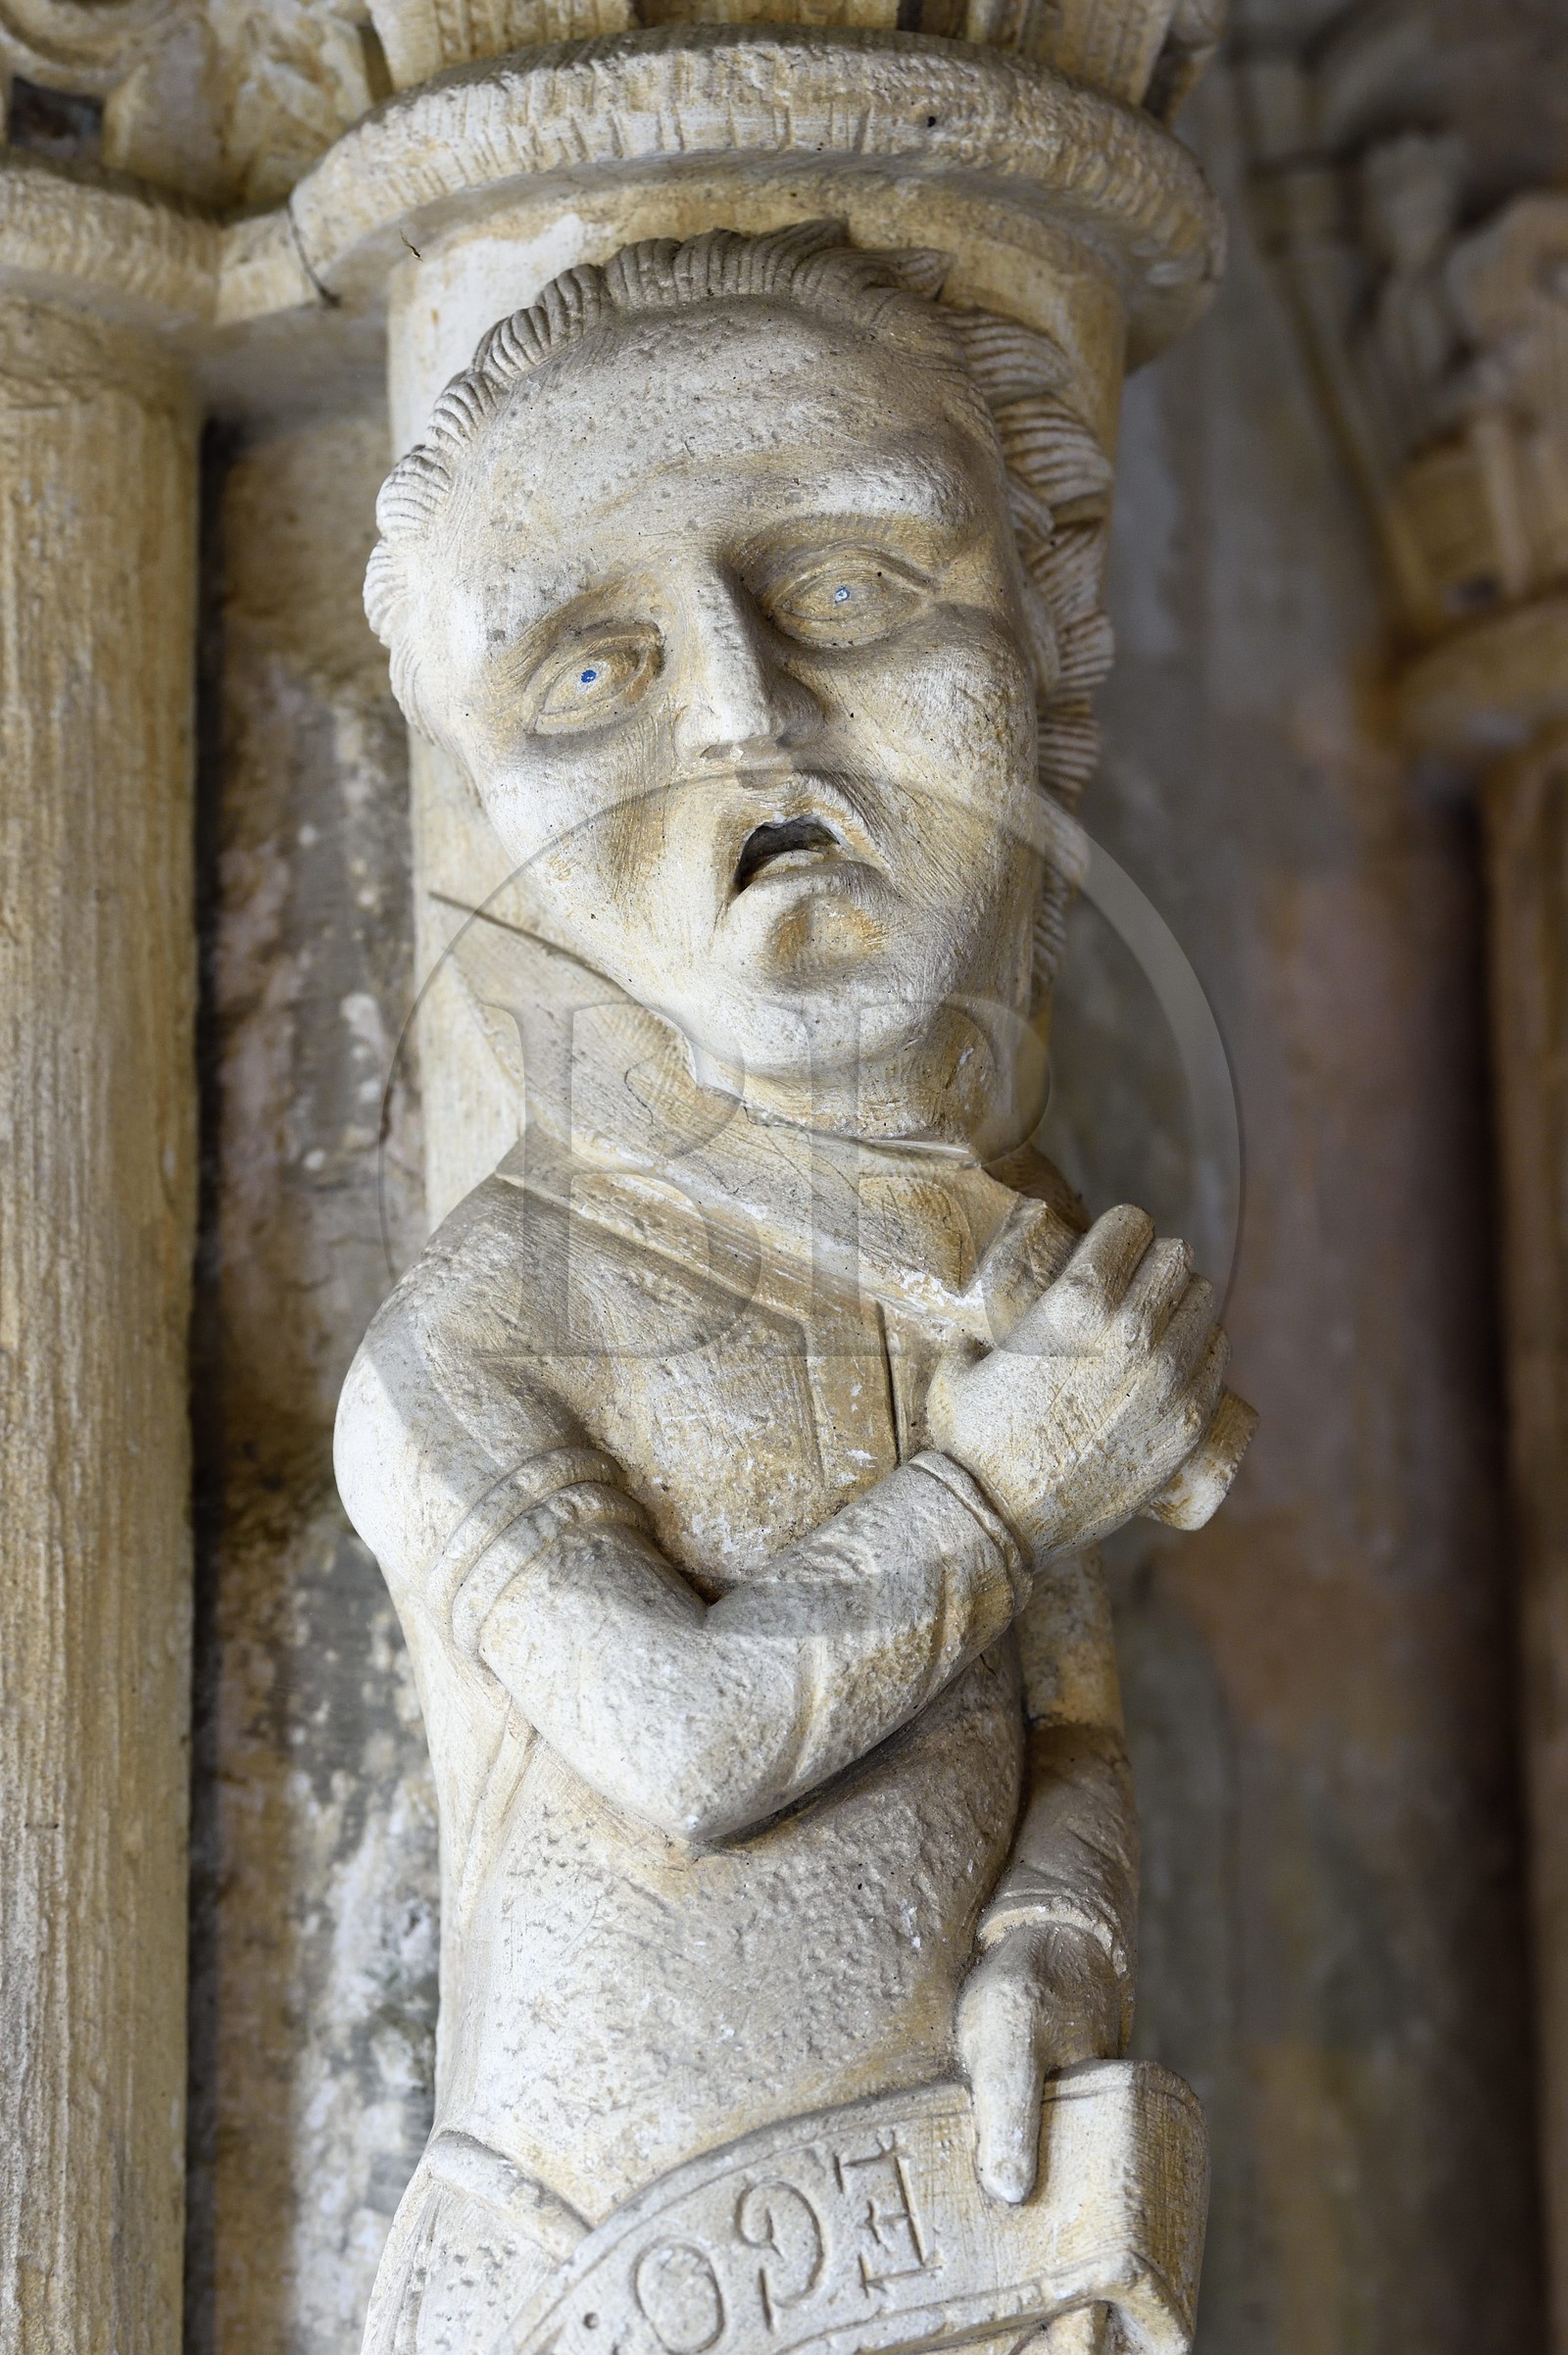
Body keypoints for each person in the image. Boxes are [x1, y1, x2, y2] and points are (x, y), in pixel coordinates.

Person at [336, 221, 1243, 2355]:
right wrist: (1009, 1482)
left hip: (949, 2228)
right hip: (606, 2264)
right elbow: (674, 1735)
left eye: (847, 587)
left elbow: (1064, 1705)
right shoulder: (474, 1334)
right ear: (494, 805)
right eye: (588, 670)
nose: (742, 715)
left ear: (1053, 646)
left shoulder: (985, 1243)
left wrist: (1057, 1917)